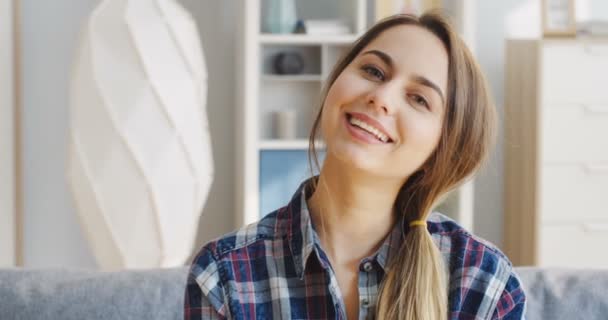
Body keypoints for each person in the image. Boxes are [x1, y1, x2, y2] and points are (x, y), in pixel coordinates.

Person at [184, 12, 526, 320]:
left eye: (419, 98)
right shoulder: (223, 275)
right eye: (373, 71)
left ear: (443, 149)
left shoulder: (486, 284)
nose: (382, 97)